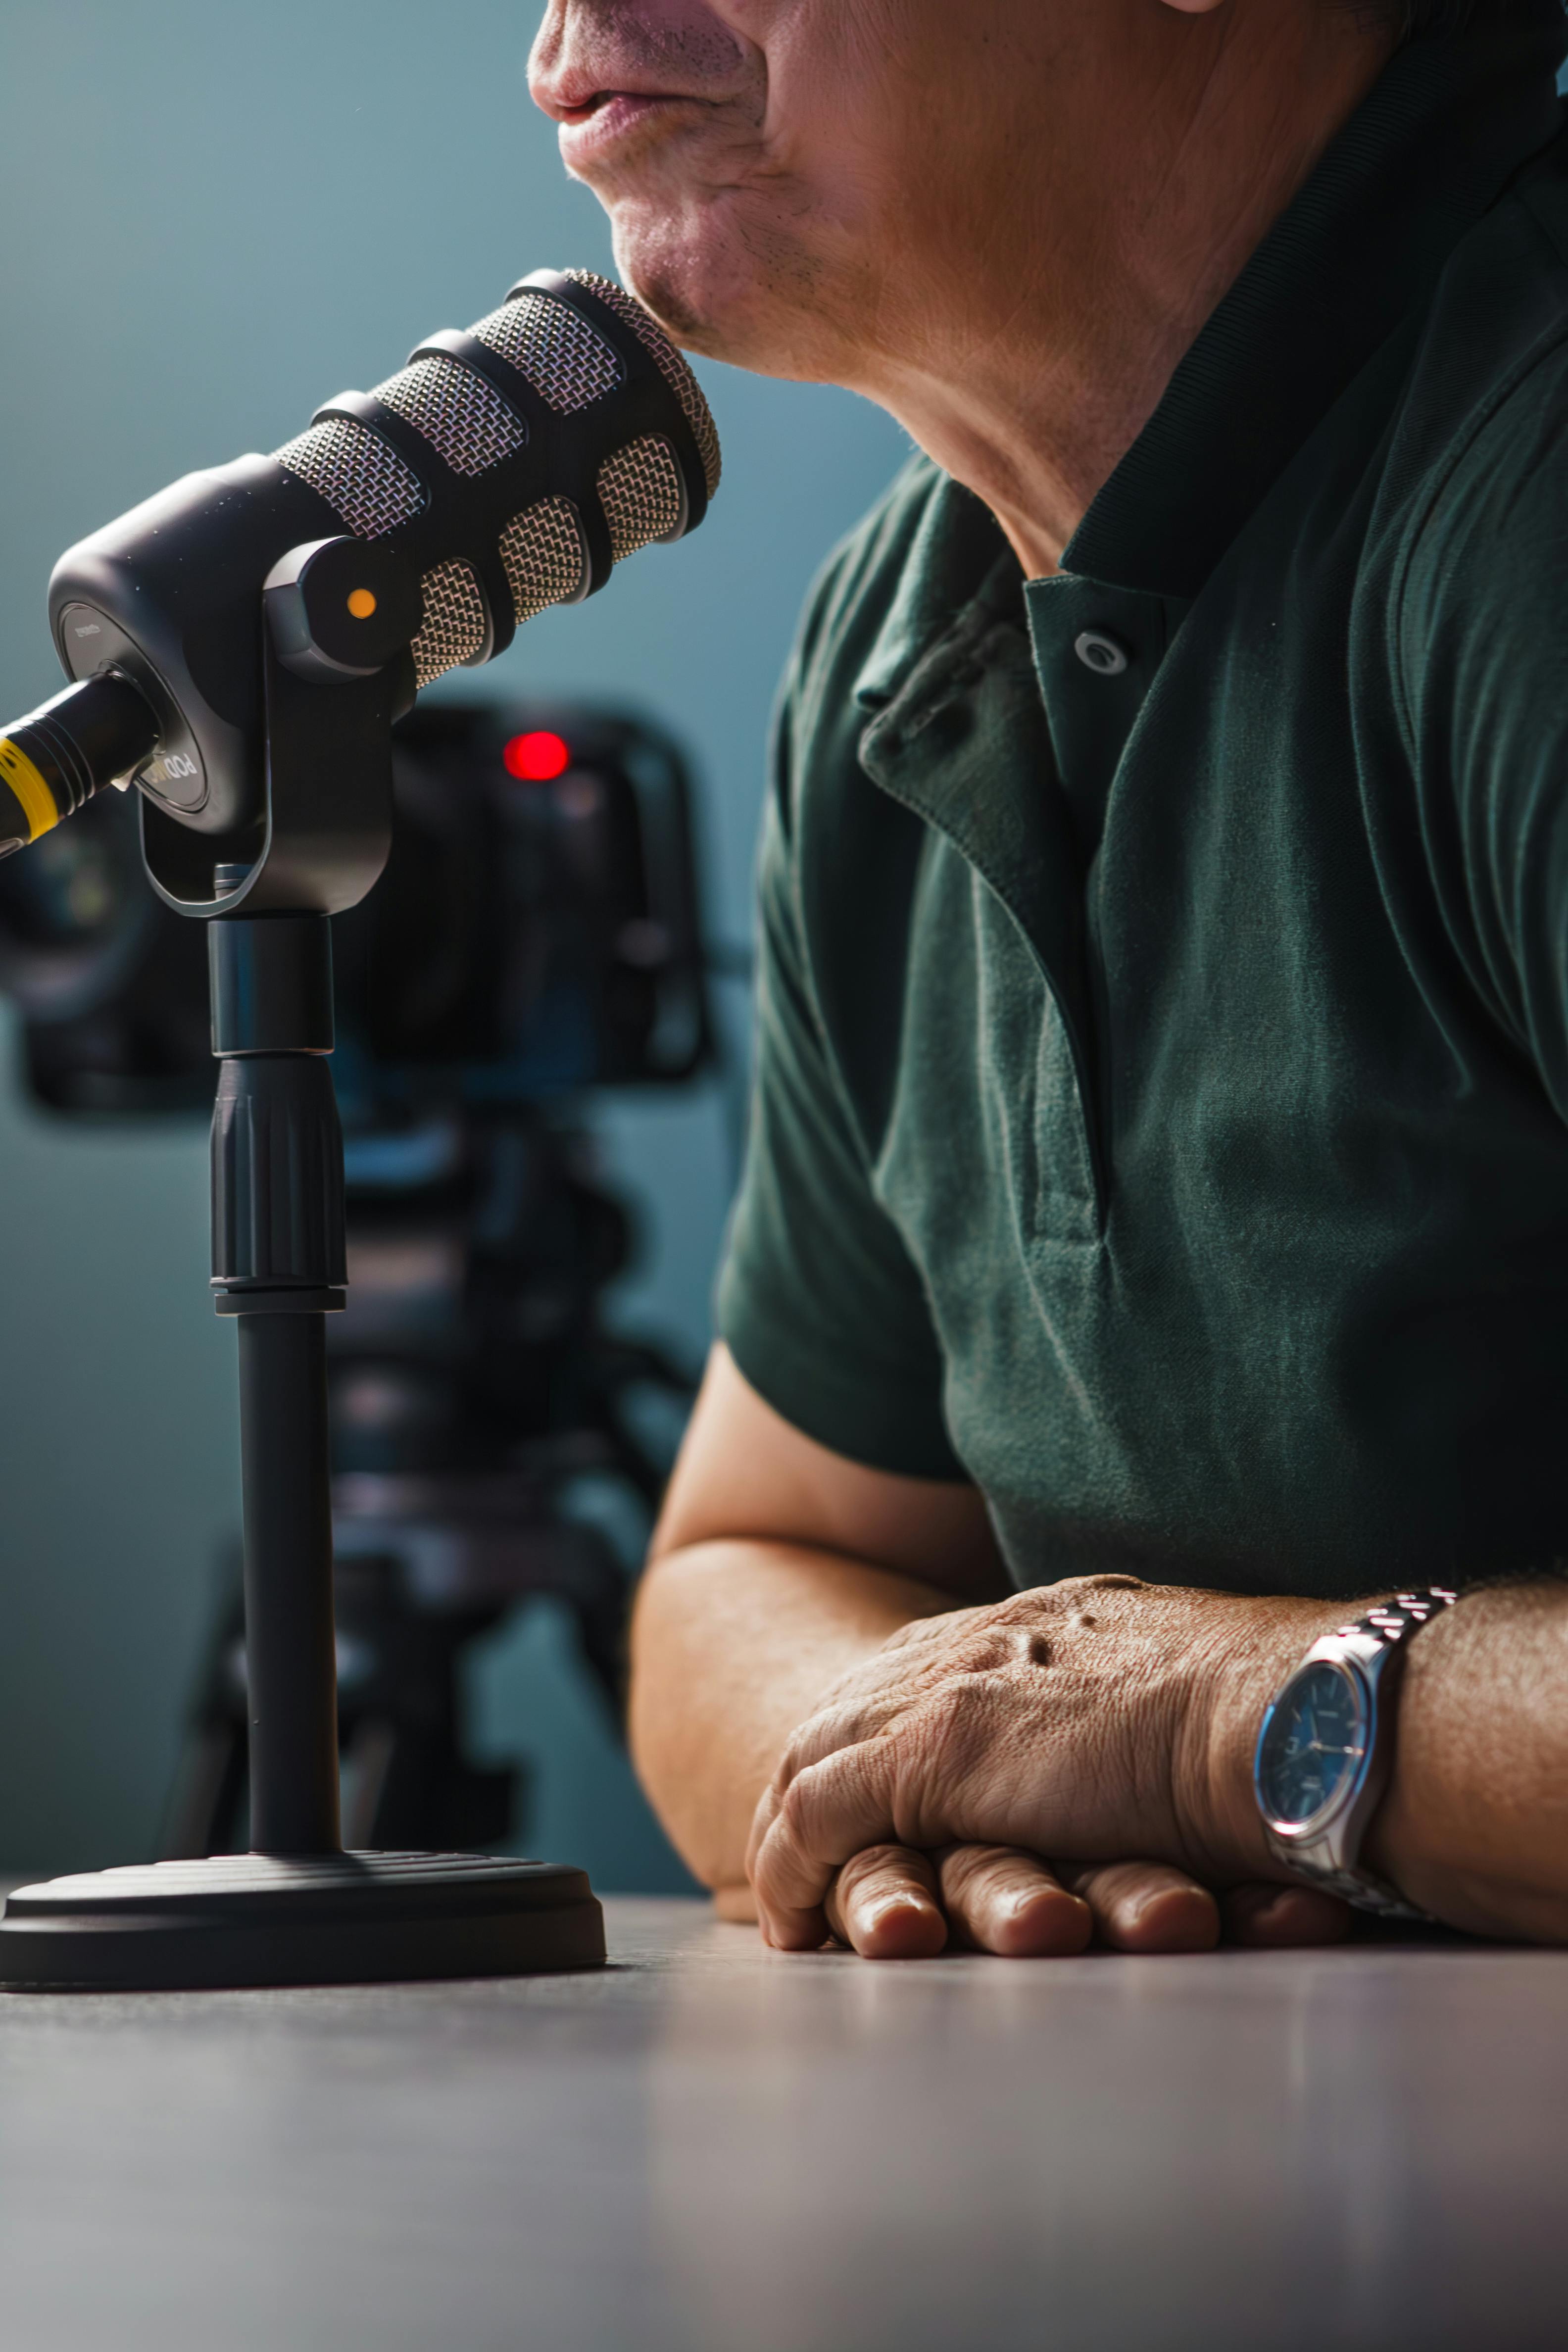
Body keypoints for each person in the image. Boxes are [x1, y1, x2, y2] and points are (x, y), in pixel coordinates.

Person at [529, 0, 1568, 1959]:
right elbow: (745, 1568)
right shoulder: (904, 623)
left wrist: (1207, 1733)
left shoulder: (1533, 498)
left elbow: (1122, 1728)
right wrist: (946, 1762)